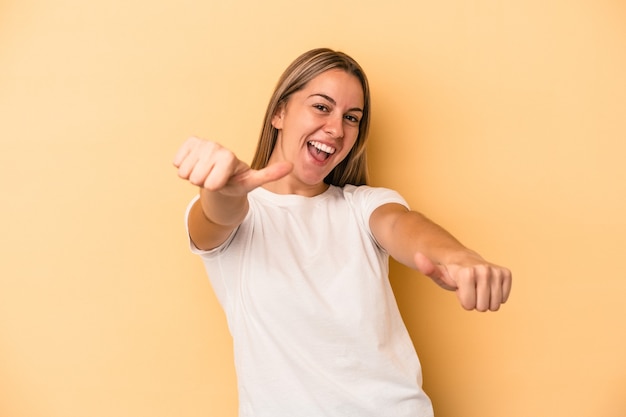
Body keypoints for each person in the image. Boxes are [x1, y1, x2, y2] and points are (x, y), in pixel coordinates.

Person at [173, 48, 512, 417]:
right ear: (279, 113)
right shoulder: (239, 214)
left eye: (351, 117)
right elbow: (218, 216)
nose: (336, 129)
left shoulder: (362, 206)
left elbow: (402, 225)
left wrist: (458, 257)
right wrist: (221, 188)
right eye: (321, 107)